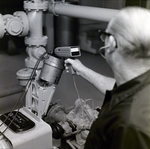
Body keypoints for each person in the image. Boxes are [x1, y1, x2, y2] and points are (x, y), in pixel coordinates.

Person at [65, 7, 150, 149]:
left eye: (104, 34)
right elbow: (120, 89)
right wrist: (82, 70)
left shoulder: (129, 124)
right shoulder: (139, 81)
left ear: (111, 43)